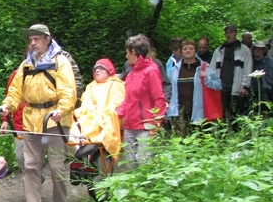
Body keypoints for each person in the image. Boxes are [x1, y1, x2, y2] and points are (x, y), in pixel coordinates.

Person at [0, 24, 77, 202]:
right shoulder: (26, 65)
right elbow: (15, 92)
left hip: (55, 120)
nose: (32, 43)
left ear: (47, 39)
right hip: (31, 120)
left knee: (56, 166)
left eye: (36, 39)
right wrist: (7, 106)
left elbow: (69, 91)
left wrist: (63, 109)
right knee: (31, 167)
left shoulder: (60, 62)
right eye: (30, 40)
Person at [116, 34, 167, 169]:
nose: (126, 56)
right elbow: (127, 100)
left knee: (144, 164)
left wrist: (155, 126)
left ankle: (148, 189)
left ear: (134, 52)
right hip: (129, 126)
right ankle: (135, 189)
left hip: (145, 127)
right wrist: (115, 115)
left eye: (127, 52)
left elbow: (159, 100)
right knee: (131, 164)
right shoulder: (131, 73)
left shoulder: (151, 71)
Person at [70, 58, 125, 159]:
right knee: (74, 119)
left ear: (109, 72)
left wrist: (102, 114)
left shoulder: (116, 84)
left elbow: (117, 104)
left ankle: (85, 149)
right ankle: (81, 149)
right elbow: (85, 105)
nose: (97, 71)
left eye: (101, 69)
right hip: (90, 117)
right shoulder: (91, 86)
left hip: (107, 119)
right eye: (95, 69)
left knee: (102, 121)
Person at [166, 39, 222, 135]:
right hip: (179, 112)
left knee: (198, 142)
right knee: (180, 142)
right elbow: (169, 89)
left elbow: (218, 85)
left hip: (199, 113)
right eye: (185, 49)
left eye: (191, 48)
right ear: (182, 51)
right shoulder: (174, 70)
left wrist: (207, 78)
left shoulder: (204, 67)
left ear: (195, 51)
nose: (188, 51)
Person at [210, 24, 252, 122]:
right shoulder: (219, 50)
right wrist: (213, 85)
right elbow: (212, 70)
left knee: (236, 117)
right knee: (222, 117)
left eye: (231, 32)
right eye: (227, 33)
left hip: (237, 90)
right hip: (221, 89)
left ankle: (236, 136)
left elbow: (247, 69)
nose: (229, 35)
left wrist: (245, 86)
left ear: (236, 33)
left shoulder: (244, 50)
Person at [250, 40, 273, 109]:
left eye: (260, 49)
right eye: (256, 48)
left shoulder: (270, 61)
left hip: (268, 93)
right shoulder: (250, 61)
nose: (258, 51)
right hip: (253, 92)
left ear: (264, 51)